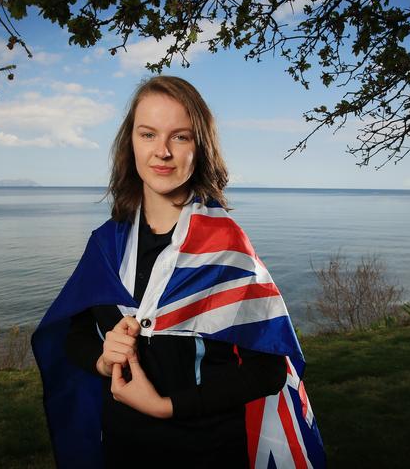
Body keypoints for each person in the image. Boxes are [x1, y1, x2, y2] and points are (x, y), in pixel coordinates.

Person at [32, 76, 325, 469]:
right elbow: (77, 333)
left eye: (181, 137)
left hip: (207, 450)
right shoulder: (106, 245)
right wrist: (102, 360)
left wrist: (168, 407)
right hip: (121, 447)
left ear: (200, 148)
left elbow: (268, 370)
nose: (162, 152)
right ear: (130, 143)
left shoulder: (226, 247)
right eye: (148, 134)